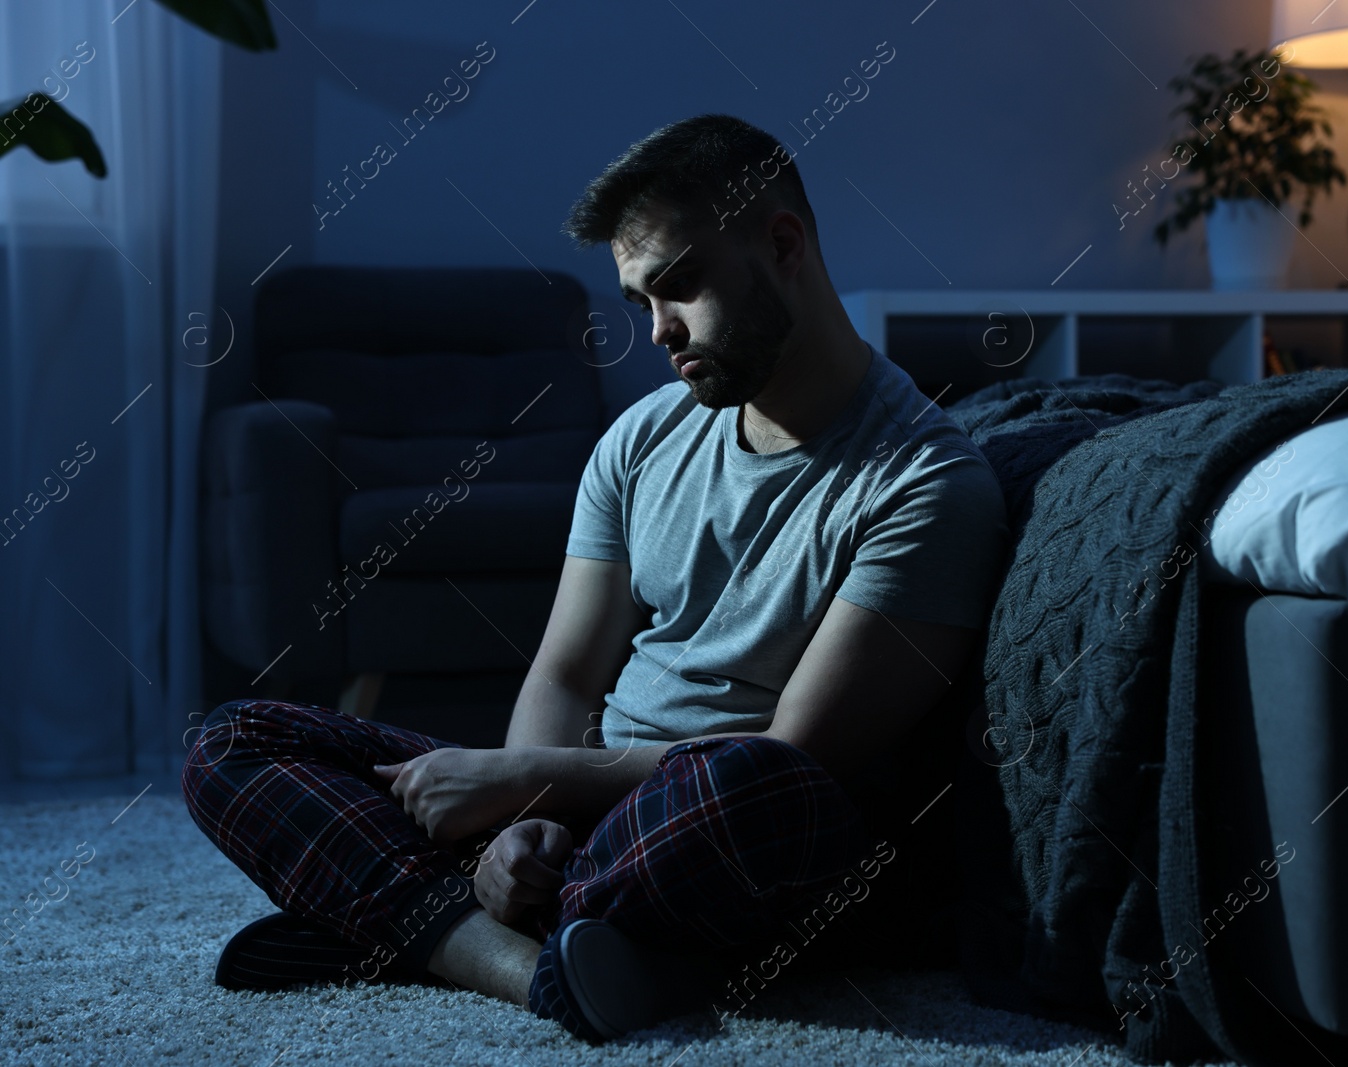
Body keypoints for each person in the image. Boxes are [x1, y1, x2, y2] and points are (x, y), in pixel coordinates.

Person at [181, 113, 1010, 1041]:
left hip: (718, 831)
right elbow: (567, 672)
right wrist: (518, 824)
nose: (657, 330)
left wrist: (526, 781)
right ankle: (532, 957)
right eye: (637, 300)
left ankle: (413, 920)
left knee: (760, 788)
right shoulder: (643, 437)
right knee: (234, 739)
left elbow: (799, 752)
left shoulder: (928, 485)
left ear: (783, 246)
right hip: (585, 815)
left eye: (679, 286)